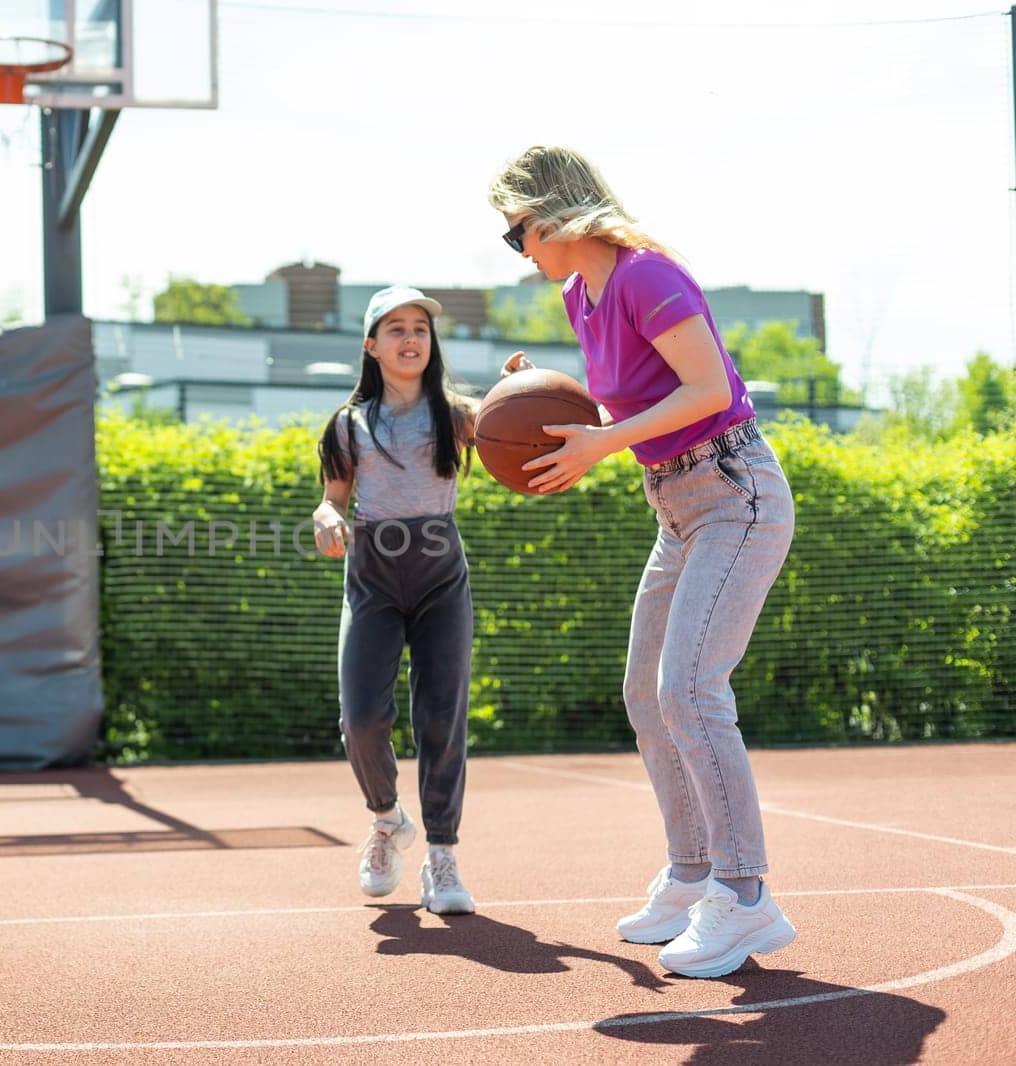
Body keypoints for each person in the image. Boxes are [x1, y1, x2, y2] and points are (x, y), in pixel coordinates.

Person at [487, 146, 798, 978]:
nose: (516, 250)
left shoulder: (647, 276)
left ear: (549, 217)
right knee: (646, 697)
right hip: (674, 503)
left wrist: (600, 443)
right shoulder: (575, 292)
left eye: (514, 233)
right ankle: (694, 873)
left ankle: (745, 898)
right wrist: (538, 394)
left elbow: (705, 391)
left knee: (690, 691)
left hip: (735, 491)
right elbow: (632, 392)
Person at [312, 285, 479, 916]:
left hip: (441, 574)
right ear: (371, 345)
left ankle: (442, 855)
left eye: (421, 329)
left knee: (441, 718)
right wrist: (327, 517)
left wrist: (528, 385)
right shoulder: (348, 424)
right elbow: (333, 496)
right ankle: (386, 821)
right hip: (373, 576)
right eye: (396, 329)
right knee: (361, 719)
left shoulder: (458, 414)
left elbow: (527, 428)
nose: (412, 338)